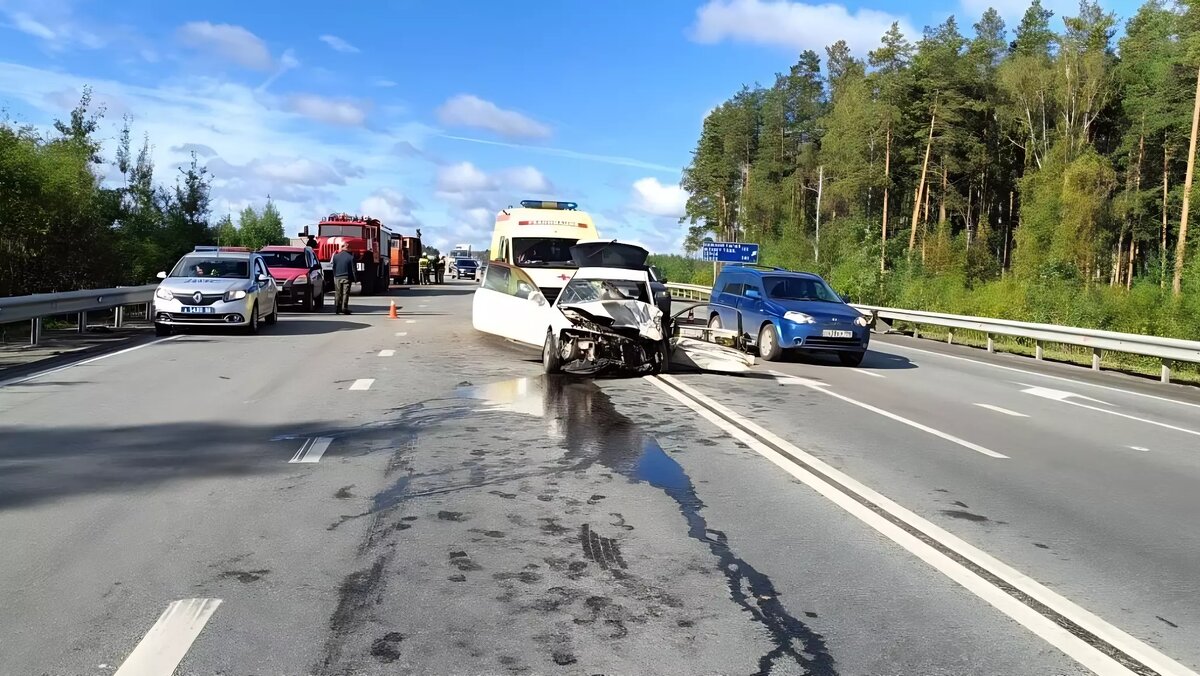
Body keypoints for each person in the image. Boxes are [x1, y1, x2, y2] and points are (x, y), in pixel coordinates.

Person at [330, 242, 356, 315]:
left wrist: (335, 275)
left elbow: (334, 267)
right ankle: (344, 308)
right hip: (347, 277)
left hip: (337, 277)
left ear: (342, 248)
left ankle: (337, 308)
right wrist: (355, 278)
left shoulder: (336, 257)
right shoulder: (351, 257)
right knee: (345, 293)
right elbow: (353, 269)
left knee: (338, 293)